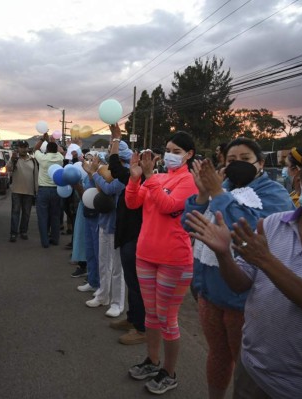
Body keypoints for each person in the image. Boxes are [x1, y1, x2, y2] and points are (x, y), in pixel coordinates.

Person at [185, 143, 302, 399]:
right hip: (254, 373)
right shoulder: (273, 225)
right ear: (299, 181)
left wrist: (264, 259)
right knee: (220, 354)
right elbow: (242, 281)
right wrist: (224, 253)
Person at [183, 137, 295, 399]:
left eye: (245, 159)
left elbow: (250, 233)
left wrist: (218, 195)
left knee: (247, 365)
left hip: (246, 298)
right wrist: (202, 194)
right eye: (232, 160)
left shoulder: (274, 194)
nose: (237, 165)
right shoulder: (221, 187)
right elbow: (189, 227)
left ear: (260, 164)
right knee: (218, 355)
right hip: (210, 291)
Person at [125, 131, 199, 394]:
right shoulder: (158, 178)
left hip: (174, 260)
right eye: (168, 149)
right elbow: (133, 202)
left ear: (189, 155)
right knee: (152, 315)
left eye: (177, 151)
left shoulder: (190, 181)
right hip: (146, 255)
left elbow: (168, 206)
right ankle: (152, 360)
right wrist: (135, 180)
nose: (170, 154)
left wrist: (148, 178)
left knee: (168, 318)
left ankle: (169, 371)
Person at [107, 125, 146, 345]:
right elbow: (114, 167)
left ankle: (142, 328)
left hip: (138, 238)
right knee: (132, 282)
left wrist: (116, 140)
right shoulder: (132, 179)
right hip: (126, 236)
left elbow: (115, 167)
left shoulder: (150, 182)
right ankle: (132, 319)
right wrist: (115, 139)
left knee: (138, 283)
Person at [84, 153, 126, 318]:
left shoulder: (125, 175)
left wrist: (94, 173)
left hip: (117, 226)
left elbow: (109, 188)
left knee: (117, 268)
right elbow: (100, 189)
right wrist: (91, 172)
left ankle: (117, 303)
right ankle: (103, 295)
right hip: (104, 223)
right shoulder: (107, 173)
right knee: (103, 262)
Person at [34, 133, 64, 248]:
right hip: (57, 190)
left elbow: (35, 149)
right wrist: (54, 141)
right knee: (55, 216)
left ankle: (45, 242)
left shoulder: (43, 158)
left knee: (43, 217)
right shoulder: (60, 158)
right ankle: (55, 239)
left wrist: (43, 139)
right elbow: (61, 151)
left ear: (46, 149)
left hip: (43, 190)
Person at [7, 140, 38, 242]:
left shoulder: (32, 160)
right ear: (18, 148)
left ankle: (23, 231)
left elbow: (36, 176)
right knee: (15, 212)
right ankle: (13, 233)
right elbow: (8, 169)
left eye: (25, 147)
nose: (23, 149)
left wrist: (36, 190)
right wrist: (12, 159)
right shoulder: (15, 159)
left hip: (29, 192)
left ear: (28, 148)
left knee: (26, 213)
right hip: (16, 190)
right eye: (21, 147)